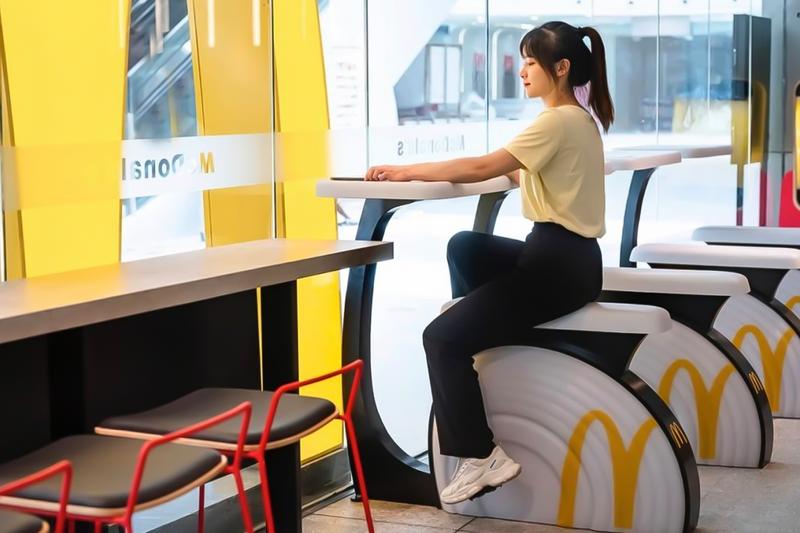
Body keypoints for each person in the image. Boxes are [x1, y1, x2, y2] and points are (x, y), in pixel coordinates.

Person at [364, 21, 614, 504]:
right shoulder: (579, 119)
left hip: (551, 268)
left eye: (531, 62)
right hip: (570, 261)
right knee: (466, 247)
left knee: (438, 338)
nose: (521, 71)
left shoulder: (556, 120)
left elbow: (483, 167)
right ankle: (478, 335)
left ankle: (481, 455)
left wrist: (404, 171)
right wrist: (521, 176)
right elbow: (532, 175)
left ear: (560, 69)